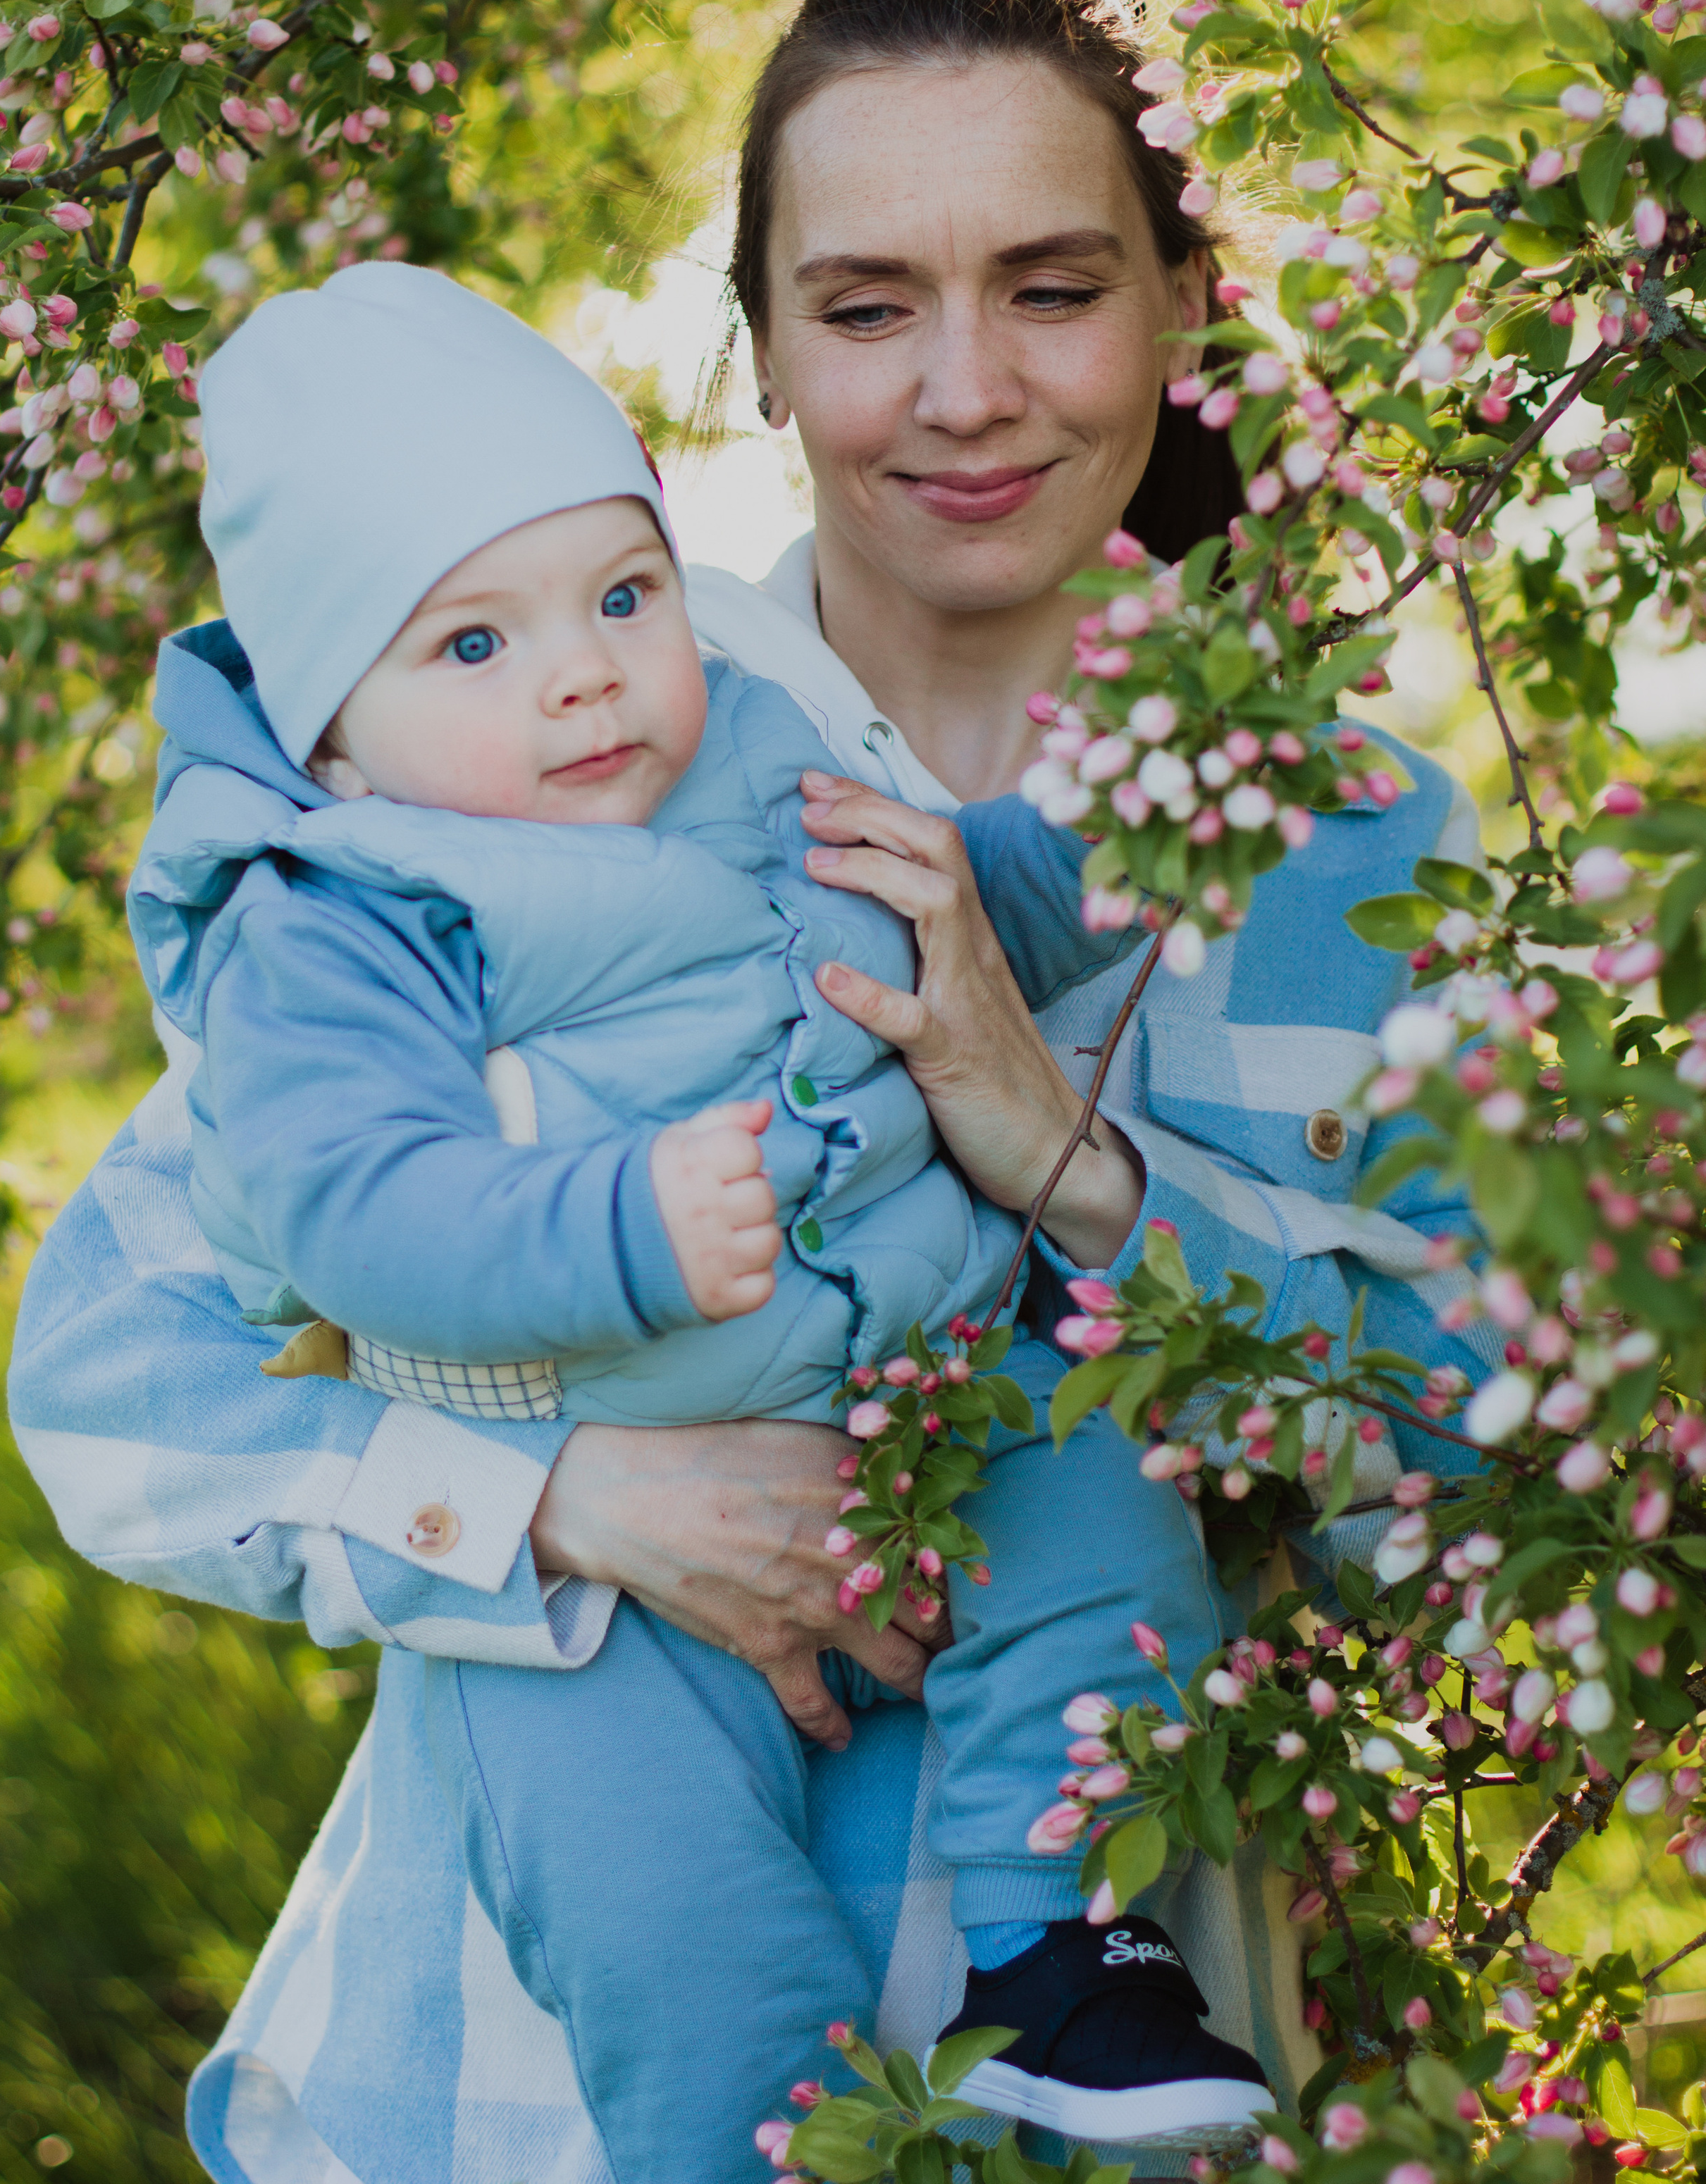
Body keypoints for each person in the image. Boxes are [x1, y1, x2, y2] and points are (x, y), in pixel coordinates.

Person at [11, 0, 1500, 2184]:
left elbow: (1501, 1462)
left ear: (1188, 307)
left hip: (1101, 2101)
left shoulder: (1373, 862)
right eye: (870, 303)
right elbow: (129, 1375)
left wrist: (1075, 1173)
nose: (965, 390)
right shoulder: (530, 746)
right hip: (508, 2101)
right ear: (768, 351)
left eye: (1058, 285)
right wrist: (564, 1505)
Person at [131, 256, 1275, 2170]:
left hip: (925, 1401)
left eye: (622, 595)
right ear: (339, 735)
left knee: (1098, 1517)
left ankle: (1067, 1951)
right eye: (472, 647)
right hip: (598, 1571)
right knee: (662, 1908)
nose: (582, 668)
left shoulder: (756, 748)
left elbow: (961, 907)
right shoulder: (343, 920)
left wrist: (1134, 810)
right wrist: (617, 1230)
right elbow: (353, 1202)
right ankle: (761, 2144)